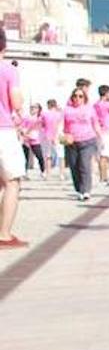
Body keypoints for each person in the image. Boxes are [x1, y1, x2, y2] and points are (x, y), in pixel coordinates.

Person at [0, 31, 26, 249]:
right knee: (11, 181)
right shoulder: (9, 70)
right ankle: (4, 234)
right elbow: (16, 102)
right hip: (3, 129)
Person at [61, 86, 99, 201]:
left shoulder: (90, 109)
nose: (78, 98)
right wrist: (60, 135)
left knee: (84, 165)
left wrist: (100, 137)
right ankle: (79, 189)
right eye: (75, 96)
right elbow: (60, 124)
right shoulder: (67, 110)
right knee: (74, 166)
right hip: (71, 142)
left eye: (80, 96)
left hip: (88, 140)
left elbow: (95, 123)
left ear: (84, 98)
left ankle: (86, 190)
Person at [92, 84, 109, 187]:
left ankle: (105, 176)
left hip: (100, 131)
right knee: (104, 155)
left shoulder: (96, 104)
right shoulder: (106, 104)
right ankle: (103, 177)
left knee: (104, 154)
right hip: (105, 131)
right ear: (107, 93)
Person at [21, 103, 45, 180]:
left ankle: (43, 171)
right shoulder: (26, 117)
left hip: (36, 139)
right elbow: (22, 126)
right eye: (31, 107)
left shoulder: (40, 118)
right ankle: (25, 173)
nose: (32, 109)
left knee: (39, 156)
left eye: (34, 107)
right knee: (25, 157)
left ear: (38, 109)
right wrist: (24, 133)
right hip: (26, 139)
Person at [40, 98, 62, 177]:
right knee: (61, 155)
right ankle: (61, 173)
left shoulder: (44, 113)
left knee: (48, 155)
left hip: (47, 135)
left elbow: (42, 124)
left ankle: (48, 173)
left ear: (48, 105)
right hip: (57, 135)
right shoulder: (59, 114)